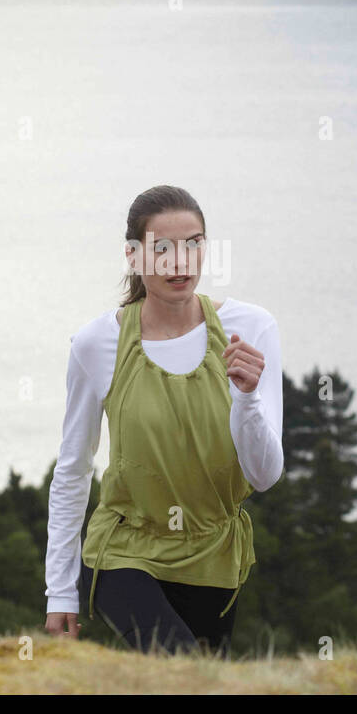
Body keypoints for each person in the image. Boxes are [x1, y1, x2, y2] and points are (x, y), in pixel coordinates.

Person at [43, 185, 284, 658]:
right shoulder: (96, 344)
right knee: (183, 673)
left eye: (194, 244)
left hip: (213, 557)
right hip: (125, 549)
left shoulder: (252, 328)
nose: (181, 262)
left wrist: (248, 398)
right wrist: (60, 589)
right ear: (133, 256)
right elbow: (73, 468)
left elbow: (264, 475)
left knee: (196, 682)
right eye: (163, 249)